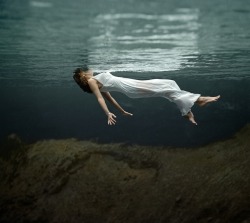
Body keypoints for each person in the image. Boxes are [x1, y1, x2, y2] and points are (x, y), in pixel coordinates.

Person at [73, 66, 220, 126]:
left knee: (168, 84)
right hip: (131, 87)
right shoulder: (92, 81)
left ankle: (187, 110)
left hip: (131, 85)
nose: (89, 69)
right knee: (164, 88)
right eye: (85, 71)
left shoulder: (96, 80)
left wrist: (122, 111)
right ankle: (199, 100)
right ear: (84, 76)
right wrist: (108, 113)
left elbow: (110, 98)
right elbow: (101, 98)